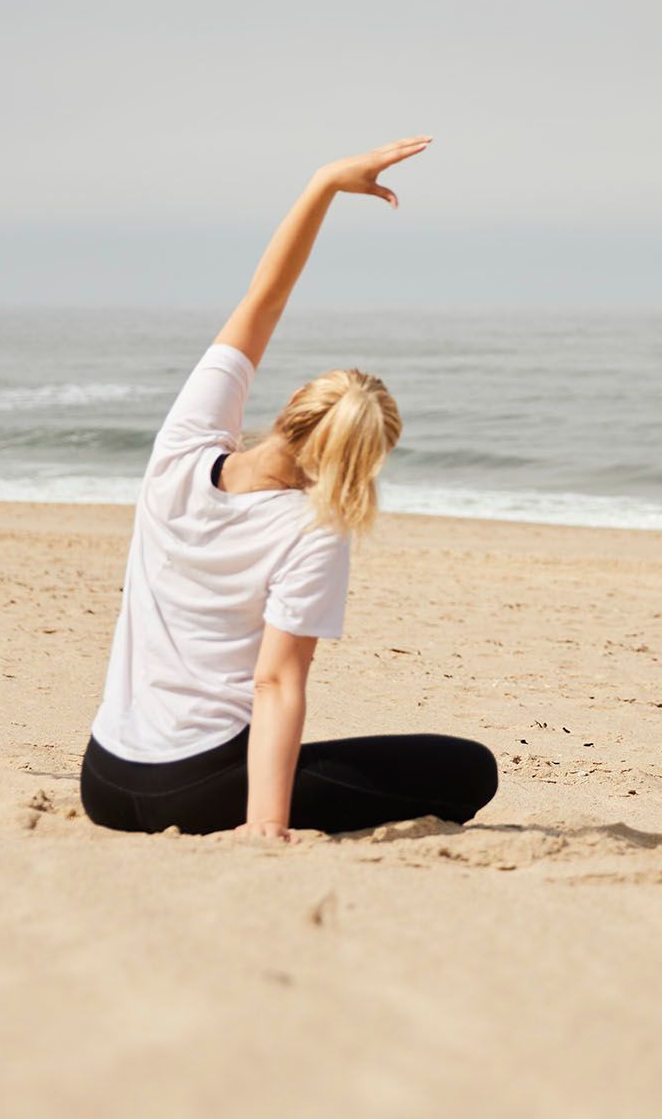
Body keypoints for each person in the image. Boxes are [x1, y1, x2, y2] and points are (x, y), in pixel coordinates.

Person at [81, 138, 499, 839]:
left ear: (294, 405)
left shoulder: (180, 448)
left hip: (106, 779)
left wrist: (324, 184)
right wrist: (266, 827)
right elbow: (276, 680)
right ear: (358, 464)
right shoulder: (313, 529)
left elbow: (264, 300)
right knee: (468, 770)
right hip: (197, 792)